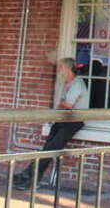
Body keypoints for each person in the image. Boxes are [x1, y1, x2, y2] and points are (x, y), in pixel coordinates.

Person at [14, 58, 88, 190]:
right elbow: (64, 105)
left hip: (74, 121)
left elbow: (67, 105)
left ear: (67, 68)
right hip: (63, 120)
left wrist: (60, 104)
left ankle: (27, 176)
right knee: (47, 150)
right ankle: (31, 179)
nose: (59, 70)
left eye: (61, 68)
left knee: (50, 149)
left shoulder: (77, 84)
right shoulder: (67, 83)